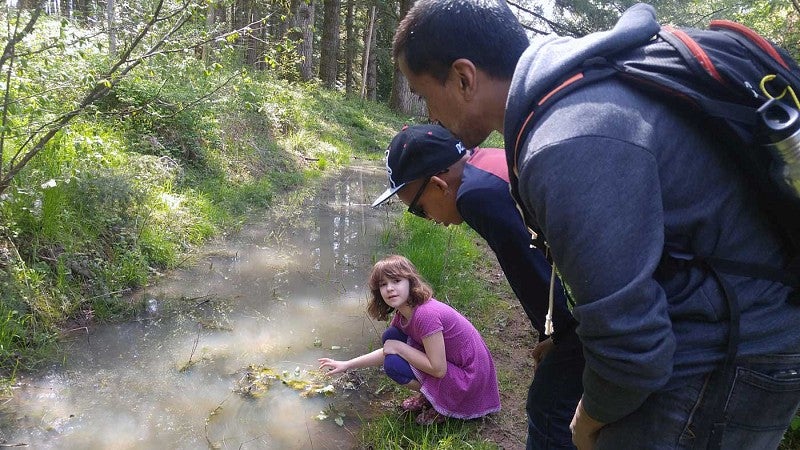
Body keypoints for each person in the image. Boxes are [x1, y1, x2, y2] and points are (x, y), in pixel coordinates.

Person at [392, 2, 800, 450]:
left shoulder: (565, 138)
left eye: (424, 94)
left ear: (464, 78)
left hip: (724, 357)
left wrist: (590, 418)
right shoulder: (572, 95)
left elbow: (629, 340)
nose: (430, 115)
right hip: (723, 331)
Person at [371, 123, 584, 448]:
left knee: (549, 408)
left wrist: (559, 335)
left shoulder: (476, 196)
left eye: (418, 210)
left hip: (615, 296)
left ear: (439, 185)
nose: (428, 218)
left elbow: (528, 270)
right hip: (606, 284)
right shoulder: (483, 165)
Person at [318, 254, 501, 425]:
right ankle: (433, 395)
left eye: (396, 281)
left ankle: (442, 405)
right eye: (383, 284)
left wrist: (400, 348)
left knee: (394, 364)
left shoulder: (425, 314)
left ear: (410, 282)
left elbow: (438, 369)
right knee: (391, 337)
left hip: (470, 382)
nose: (390, 288)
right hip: (457, 369)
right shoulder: (404, 314)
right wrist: (347, 364)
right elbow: (388, 349)